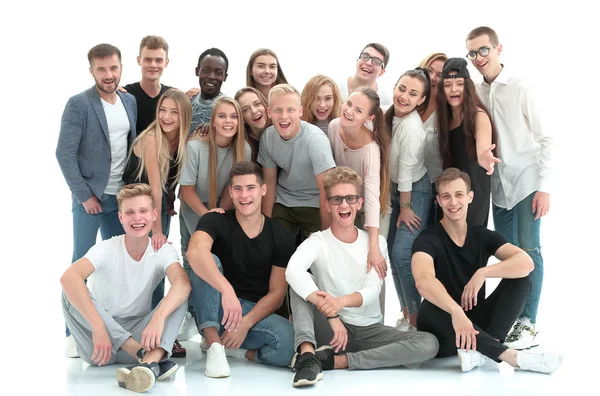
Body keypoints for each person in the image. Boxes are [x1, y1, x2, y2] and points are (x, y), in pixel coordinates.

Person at [285, 167, 439, 387]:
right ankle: (307, 355)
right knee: (298, 287)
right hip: (330, 330)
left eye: (350, 198)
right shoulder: (317, 242)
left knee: (428, 343)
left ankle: (336, 361)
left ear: (359, 203)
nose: (344, 205)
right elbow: (292, 270)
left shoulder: (376, 244)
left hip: (369, 330)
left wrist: (339, 303)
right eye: (337, 199)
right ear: (328, 205)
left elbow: (372, 289)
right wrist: (333, 315)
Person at [412, 168, 561, 374]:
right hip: (444, 330)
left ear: (470, 197)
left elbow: (526, 262)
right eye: (446, 196)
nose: (453, 203)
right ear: (438, 200)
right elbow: (423, 281)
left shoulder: (481, 235)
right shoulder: (428, 239)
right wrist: (456, 312)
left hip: (476, 324)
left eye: (459, 195)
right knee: (430, 308)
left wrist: (483, 272)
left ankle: (482, 352)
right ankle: (512, 358)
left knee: (521, 280)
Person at [466, 26, 552, 349]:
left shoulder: (520, 88)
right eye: (472, 53)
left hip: (527, 181)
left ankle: (528, 322)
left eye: (483, 50)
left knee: (530, 249)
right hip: (498, 189)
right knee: (509, 254)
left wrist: (544, 187)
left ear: (499, 49)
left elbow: (547, 139)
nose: (478, 58)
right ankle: (512, 319)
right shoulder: (475, 90)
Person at [60, 183, 190, 393]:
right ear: (120, 218)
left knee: (181, 294)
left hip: (141, 335)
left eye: (143, 211)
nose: (137, 218)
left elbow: (182, 283)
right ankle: (147, 358)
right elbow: (69, 278)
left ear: (154, 214)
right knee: (69, 290)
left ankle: (149, 364)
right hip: (100, 345)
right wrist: (99, 326)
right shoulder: (107, 248)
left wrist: (157, 319)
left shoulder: (163, 251)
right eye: (129, 212)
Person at [56, 43, 137, 356]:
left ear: (120, 68)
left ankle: (113, 328)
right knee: (81, 264)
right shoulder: (79, 104)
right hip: (91, 198)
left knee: (118, 266)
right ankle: (72, 333)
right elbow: (64, 153)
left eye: (113, 68)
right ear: (91, 71)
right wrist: (85, 195)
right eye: (101, 69)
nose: (108, 74)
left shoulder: (128, 101)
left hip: (122, 197)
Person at [186, 162, 296, 378]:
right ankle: (214, 346)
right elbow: (194, 252)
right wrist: (227, 292)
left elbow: (277, 293)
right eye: (238, 189)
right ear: (230, 192)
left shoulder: (280, 234)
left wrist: (245, 323)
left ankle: (238, 352)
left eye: (250, 188)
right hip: (216, 306)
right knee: (209, 260)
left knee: (290, 342)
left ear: (263, 190)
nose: (244, 195)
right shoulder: (215, 220)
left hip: (252, 313)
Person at [122, 90, 191, 357]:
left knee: (159, 267)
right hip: (138, 206)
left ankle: (160, 330)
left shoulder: (182, 140)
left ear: (183, 115)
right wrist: (158, 230)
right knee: (142, 266)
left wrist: (169, 204)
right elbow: (154, 188)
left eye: (174, 111)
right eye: (163, 109)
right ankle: (138, 332)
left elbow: (169, 182)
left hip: (156, 205)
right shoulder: (152, 139)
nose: (166, 116)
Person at [179, 96, 251, 338]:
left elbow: (234, 187)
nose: (228, 121)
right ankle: (192, 315)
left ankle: (213, 315)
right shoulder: (195, 146)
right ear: (213, 121)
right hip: (194, 207)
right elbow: (186, 191)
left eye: (233, 117)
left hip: (222, 208)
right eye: (222, 116)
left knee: (216, 258)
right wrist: (208, 215)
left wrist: (219, 212)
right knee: (194, 260)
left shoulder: (244, 149)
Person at [258, 84, 336, 243]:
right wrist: (266, 226)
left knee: (315, 251)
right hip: (284, 200)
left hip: (315, 201)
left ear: (300, 111)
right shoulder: (268, 137)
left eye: (290, 110)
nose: (284, 116)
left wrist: (327, 237)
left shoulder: (315, 140)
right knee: (274, 244)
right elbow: (270, 183)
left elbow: (326, 190)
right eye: (278, 110)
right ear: (269, 112)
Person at [384, 68, 431, 329]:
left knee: (402, 252)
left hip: (414, 192)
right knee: (391, 253)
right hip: (394, 190)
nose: (404, 96)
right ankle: (405, 314)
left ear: (421, 100)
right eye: (401, 88)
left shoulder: (412, 127)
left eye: (413, 93)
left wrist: (404, 207)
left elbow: (405, 171)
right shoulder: (389, 115)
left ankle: (416, 319)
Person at [327, 87, 390, 280]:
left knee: (372, 264)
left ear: (369, 118)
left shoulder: (370, 149)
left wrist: (374, 246)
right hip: (345, 205)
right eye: (348, 104)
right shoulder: (333, 127)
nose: (349, 111)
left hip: (371, 210)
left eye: (358, 111)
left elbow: (372, 199)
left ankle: (377, 310)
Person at [436, 57, 500, 227]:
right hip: (450, 193)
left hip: (473, 194)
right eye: (448, 85)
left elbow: (482, 151)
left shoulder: (478, 116)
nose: (453, 89)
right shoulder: (445, 119)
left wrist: (485, 158)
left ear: (468, 88)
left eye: (459, 84)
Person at [418, 53, 448, 224]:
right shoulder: (410, 102)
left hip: (433, 185)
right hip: (402, 183)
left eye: (440, 74)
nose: (433, 78)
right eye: (429, 70)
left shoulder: (446, 111)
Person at [123, 35, 171, 134]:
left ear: (166, 62)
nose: (153, 65)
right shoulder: (125, 95)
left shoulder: (172, 96)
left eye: (159, 60)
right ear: (139, 60)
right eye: (148, 59)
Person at [189, 48, 229, 133]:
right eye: (206, 71)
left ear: (225, 77)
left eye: (218, 73)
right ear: (197, 71)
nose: (211, 76)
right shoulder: (188, 101)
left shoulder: (229, 107)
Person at [234, 87, 272, 161]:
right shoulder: (243, 145)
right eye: (245, 110)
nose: (254, 111)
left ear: (265, 105)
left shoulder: (281, 129)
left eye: (257, 104)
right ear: (242, 118)